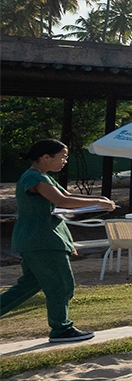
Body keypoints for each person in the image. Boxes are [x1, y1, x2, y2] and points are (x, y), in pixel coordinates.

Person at [1, 139, 114, 344]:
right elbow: (62, 201)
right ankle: (61, 329)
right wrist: (97, 202)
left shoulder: (42, 177)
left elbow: (66, 195)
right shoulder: (34, 177)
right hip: (41, 241)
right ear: (46, 157)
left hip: (38, 240)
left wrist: (99, 200)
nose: (65, 161)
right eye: (62, 156)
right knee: (61, 285)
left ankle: (61, 328)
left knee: (28, 285)